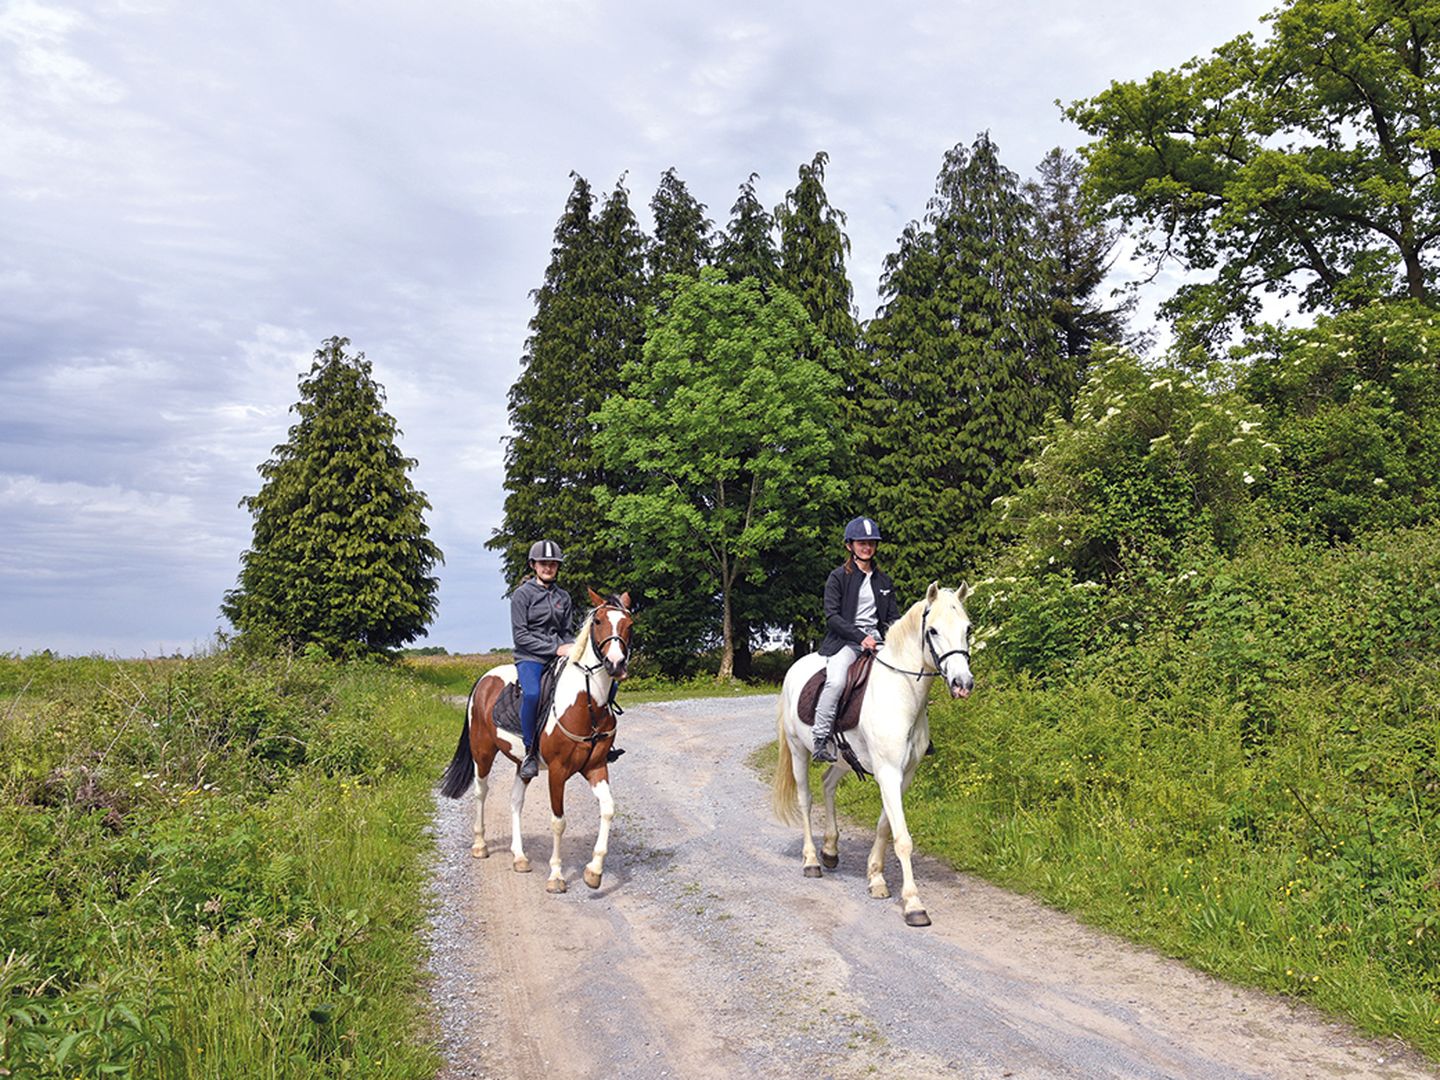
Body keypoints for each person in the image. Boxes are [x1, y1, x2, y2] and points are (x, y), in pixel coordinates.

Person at [812, 516, 900, 763]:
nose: (867, 547)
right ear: (849, 545)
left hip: (878, 642)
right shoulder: (838, 577)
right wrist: (861, 637)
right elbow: (832, 617)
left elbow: (892, 618)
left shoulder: (884, 581)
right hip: (846, 642)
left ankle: (917, 736)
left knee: (908, 675)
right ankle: (820, 738)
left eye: (871, 543)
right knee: (836, 682)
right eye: (862, 543)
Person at [510, 539, 574, 780]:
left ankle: (598, 741)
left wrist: (572, 647)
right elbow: (521, 636)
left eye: (553, 564)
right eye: (543, 563)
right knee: (533, 694)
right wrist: (555, 648)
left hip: (560, 653)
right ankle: (529, 752)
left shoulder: (563, 597)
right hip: (531, 656)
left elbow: (567, 631)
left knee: (592, 684)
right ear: (533, 565)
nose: (548, 567)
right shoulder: (521, 595)